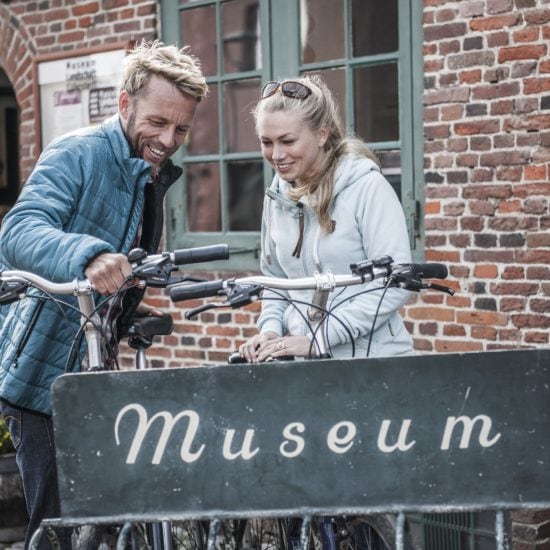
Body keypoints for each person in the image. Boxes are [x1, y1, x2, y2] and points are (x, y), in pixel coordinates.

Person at [0, 40, 207, 549]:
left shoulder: (147, 172)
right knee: (58, 528)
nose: (168, 138)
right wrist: (89, 255)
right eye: (158, 122)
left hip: (93, 370)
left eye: (180, 128)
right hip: (41, 379)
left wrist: (131, 301)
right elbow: (18, 231)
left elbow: (124, 262)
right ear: (124, 104)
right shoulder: (79, 153)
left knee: (104, 518)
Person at [239, 76, 413, 363]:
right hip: (307, 365)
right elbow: (276, 280)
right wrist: (270, 331)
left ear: (322, 134)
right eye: (266, 142)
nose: (277, 154)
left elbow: (393, 283)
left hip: (375, 361)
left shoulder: (367, 188)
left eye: (288, 141)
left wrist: (318, 338)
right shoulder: (277, 196)